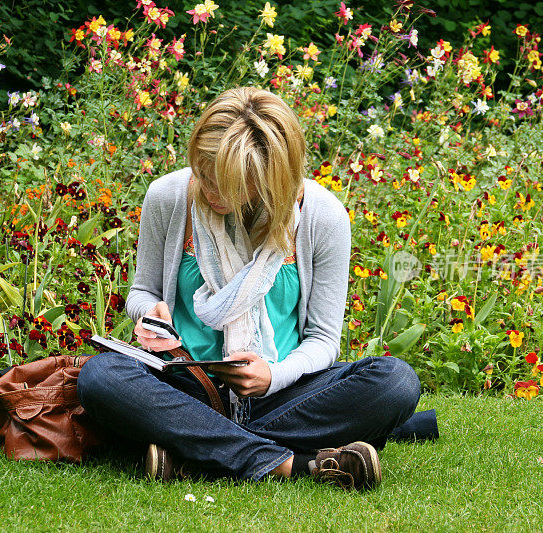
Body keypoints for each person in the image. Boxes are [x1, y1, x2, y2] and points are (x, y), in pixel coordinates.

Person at [77, 87, 427, 490]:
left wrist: (272, 376)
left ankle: (192, 448)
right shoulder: (168, 196)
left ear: (273, 178)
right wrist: (149, 313)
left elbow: (323, 339)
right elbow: (142, 291)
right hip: (185, 384)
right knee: (101, 376)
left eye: (227, 184)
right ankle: (292, 465)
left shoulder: (322, 216)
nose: (210, 192)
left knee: (395, 381)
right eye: (203, 175)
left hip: (281, 392)